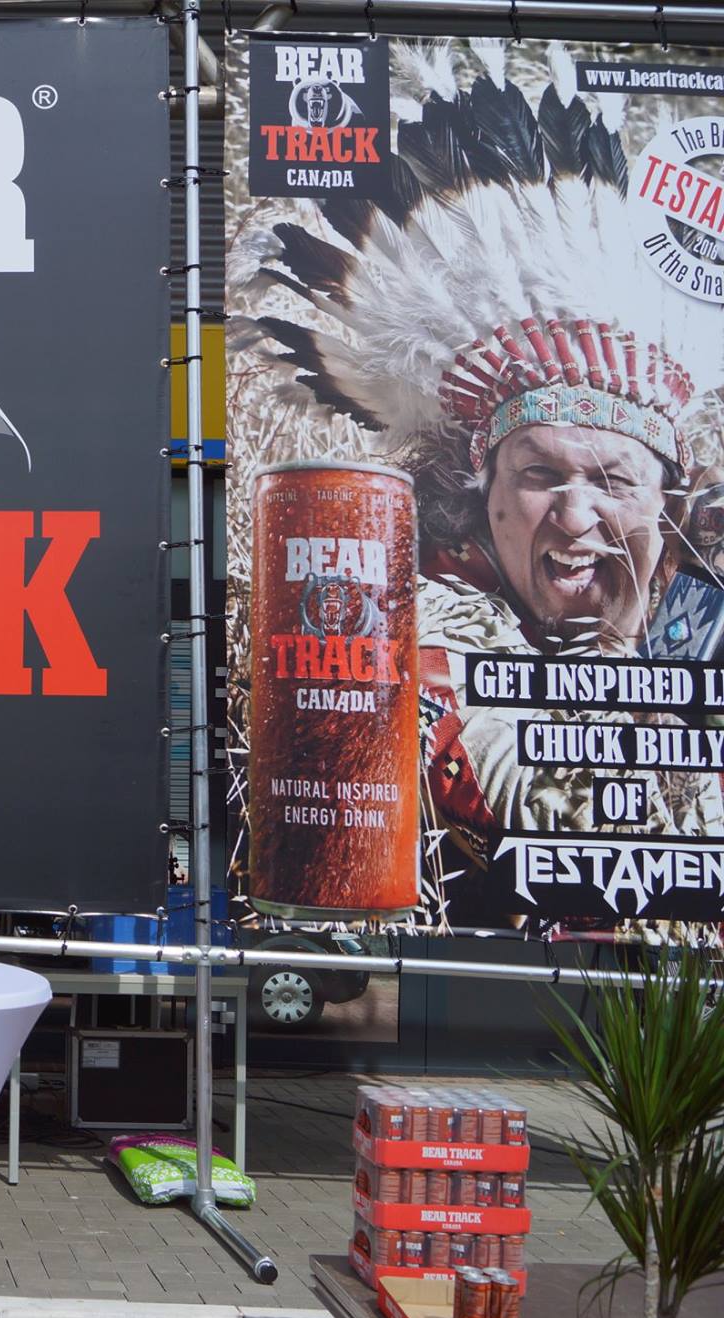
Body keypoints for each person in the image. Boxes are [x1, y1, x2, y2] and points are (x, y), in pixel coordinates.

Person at [235, 38, 724, 893]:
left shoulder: (705, 614)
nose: (575, 518)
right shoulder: (417, 631)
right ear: (480, 493)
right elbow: (536, 802)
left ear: (668, 501)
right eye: (540, 475)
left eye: (612, 481)